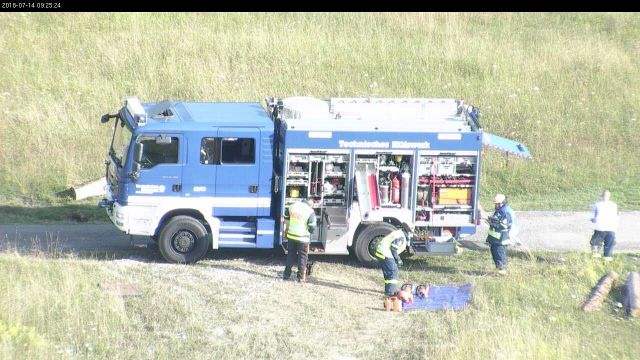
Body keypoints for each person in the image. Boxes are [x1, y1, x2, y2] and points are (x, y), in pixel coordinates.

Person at [283, 199, 317, 282]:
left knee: (290, 255)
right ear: (309, 204)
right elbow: (312, 228)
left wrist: (287, 230)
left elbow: (286, 219)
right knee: (302, 257)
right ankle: (300, 277)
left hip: (291, 236)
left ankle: (286, 275)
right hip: (303, 238)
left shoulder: (292, 207)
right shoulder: (310, 211)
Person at [374, 228, 407, 296]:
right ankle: (390, 293)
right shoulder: (401, 238)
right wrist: (398, 260)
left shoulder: (397, 233)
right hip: (385, 253)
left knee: (388, 273)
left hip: (380, 252)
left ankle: (388, 290)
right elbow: (393, 249)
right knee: (393, 272)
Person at [486, 194, 513, 275]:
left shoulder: (505, 212)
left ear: (503, 203)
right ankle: (498, 270)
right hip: (495, 240)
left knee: (500, 255)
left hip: (501, 239)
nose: (496, 205)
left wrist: (492, 223)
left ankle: (502, 271)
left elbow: (504, 225)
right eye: (496, 204)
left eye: (498, 204)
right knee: (495, 255)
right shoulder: (499, 211)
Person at [590, 190, 619, 261]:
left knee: (595, 243)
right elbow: (617, 216)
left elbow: (594, 218)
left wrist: (592, 219)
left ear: (601, 196)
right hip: (611, 228)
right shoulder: (614, 205)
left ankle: (596, 260)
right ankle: (607, 260)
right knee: (609, 245)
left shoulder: (597, 204)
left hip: (600, 228)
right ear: (609, 196)